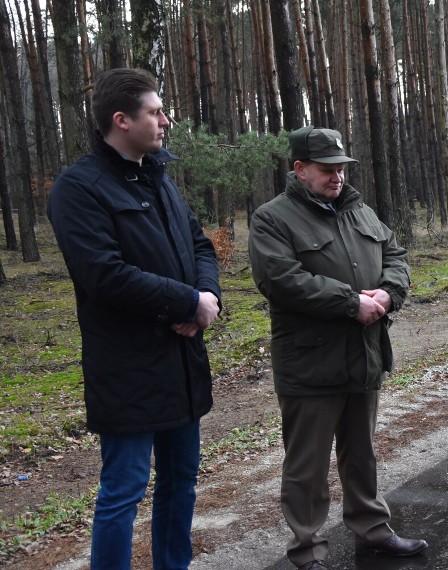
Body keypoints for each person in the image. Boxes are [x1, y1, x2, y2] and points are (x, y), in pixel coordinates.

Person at [47, 68, 221, 570]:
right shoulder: (79, 189)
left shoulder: (158, 176)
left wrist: (204, 296)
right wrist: (185, 302)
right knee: (123, 490)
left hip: (181, 360)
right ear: (121, 120)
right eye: (156, 112)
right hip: (126, 368)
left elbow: (199, 243)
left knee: (180, 481)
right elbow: (104, 274)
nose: (166, 120)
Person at [248, 126, 427, 570]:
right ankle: (307, 550)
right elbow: (281, 280)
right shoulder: (273, 218)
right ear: (300, 169)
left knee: (362, 451)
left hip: (363, 353)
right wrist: (351, 304)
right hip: (310, 360)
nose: (337, 178)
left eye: (341, 169)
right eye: (327, 170)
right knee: (307, 464)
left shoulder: (358, 209)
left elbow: (396, 253)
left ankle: (372, 531)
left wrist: (388, 293)